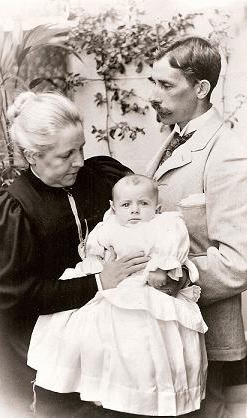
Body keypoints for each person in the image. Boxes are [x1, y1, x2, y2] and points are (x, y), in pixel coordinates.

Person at [0, 91, 151, 416]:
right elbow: (19, 296)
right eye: (66, 155)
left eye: (81, 148)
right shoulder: (10, 210)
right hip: (35, 352)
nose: (79, 161)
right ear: (32, 155)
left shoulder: (103, 180)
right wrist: (98, 282)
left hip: (105, 341)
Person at [28, 174, 208, 417]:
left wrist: (162, 267)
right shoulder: (108, 227)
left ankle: (148, 394)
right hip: (114, 285)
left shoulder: (165, 225)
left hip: (149, 287)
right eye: (126, 205)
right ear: (113, 208)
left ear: (157, 207)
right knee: (97, 330)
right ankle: (105, 387)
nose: (134, 210)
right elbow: (95, 255)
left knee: (148, 340)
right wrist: (98, 265)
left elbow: (172, 249)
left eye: (143, 204)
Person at [146, 35, 247, 418]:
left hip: (209, 336)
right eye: (153, 83)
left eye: (166, 85)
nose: (154, 95)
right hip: (170, 332)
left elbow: (239, 262)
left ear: (201, 88)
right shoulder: (175, 138)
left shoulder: (228, 154)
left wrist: (170, 279)